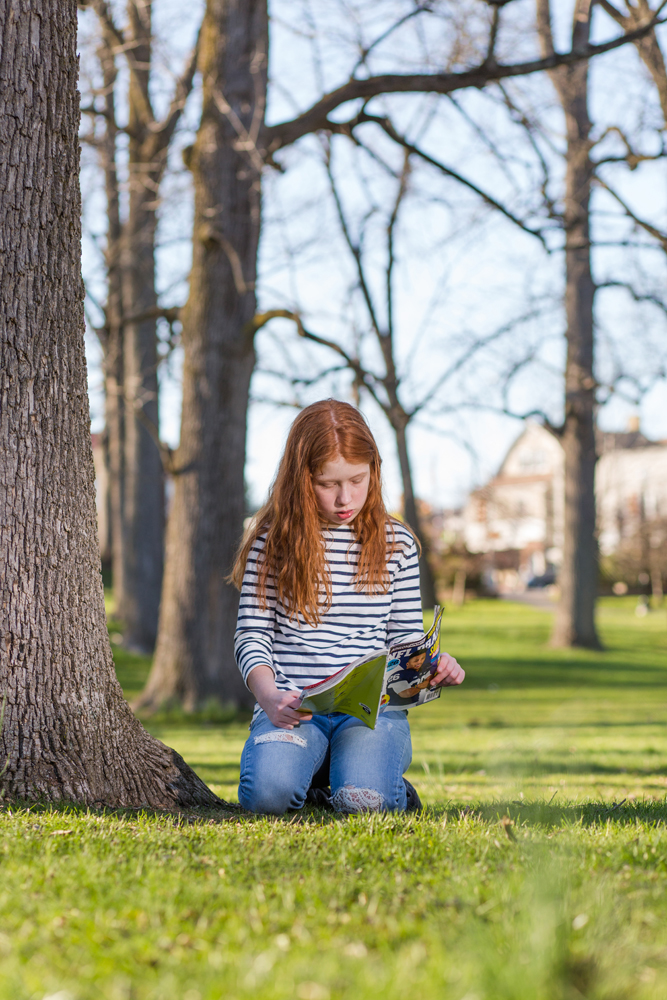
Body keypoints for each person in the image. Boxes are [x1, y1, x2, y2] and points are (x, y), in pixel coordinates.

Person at [231, 399, 465, 815]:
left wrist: (433, 667)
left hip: (371, 712)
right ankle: (321, 769)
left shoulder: (398, 544)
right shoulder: (270, 543)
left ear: (374, 470)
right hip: (293, 707)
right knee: (268, 798)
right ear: (300, 479)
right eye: (327, 484)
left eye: (357, 480)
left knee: (365, 803)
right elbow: (252, 634)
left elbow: (405, 639)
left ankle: (366, 777)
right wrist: (268, 696)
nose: (345, 498)